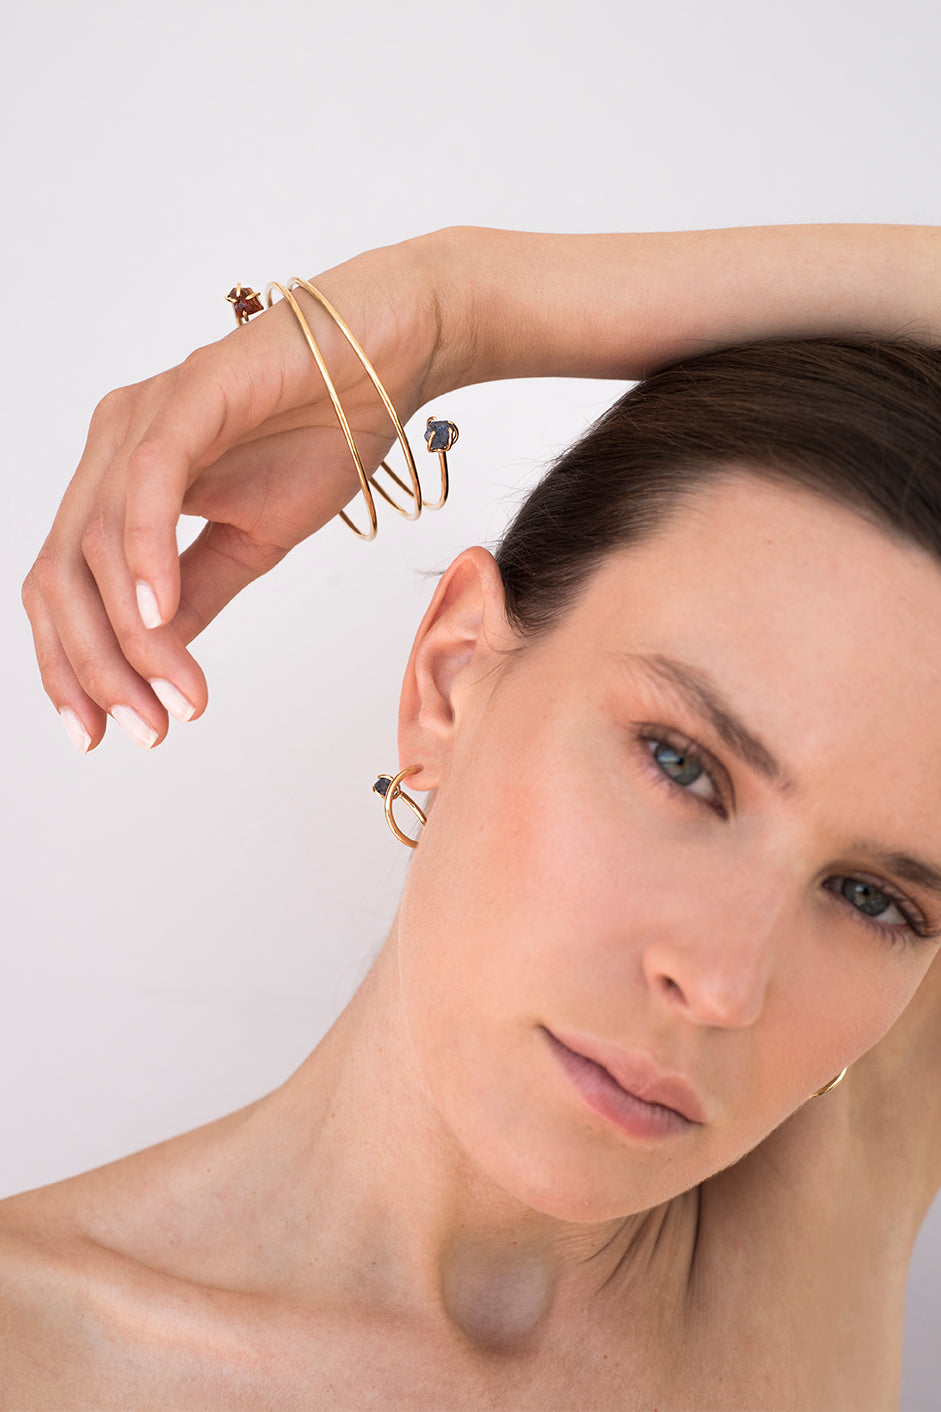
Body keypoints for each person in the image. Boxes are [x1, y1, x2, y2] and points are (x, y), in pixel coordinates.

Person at [7, 224, 941, 1409]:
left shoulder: (837, 1166)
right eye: (680, 763)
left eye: (872, 896)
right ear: (447, 678)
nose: (722, 984)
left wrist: (462, 307)